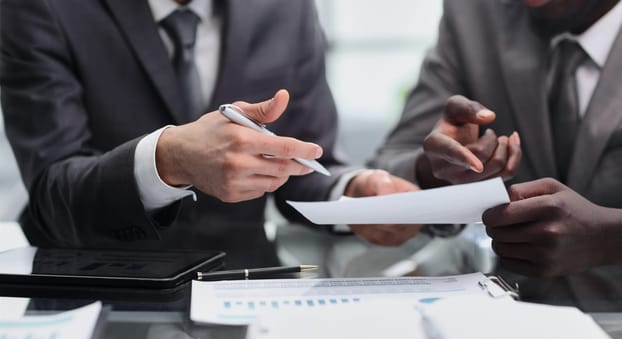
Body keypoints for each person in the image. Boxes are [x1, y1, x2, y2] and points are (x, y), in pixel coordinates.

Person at [0, 0, 421, 269]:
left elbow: (308, 162)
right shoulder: (41, 8)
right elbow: (52, 192)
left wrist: (352, 192)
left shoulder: (286, 9)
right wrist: (167, 160)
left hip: (246, 282)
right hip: (95, 282)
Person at [370, 0, 622, 310]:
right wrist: (435, 171)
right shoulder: (475, 13)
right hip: (514, 318)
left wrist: (612, 238)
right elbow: (389, 166)